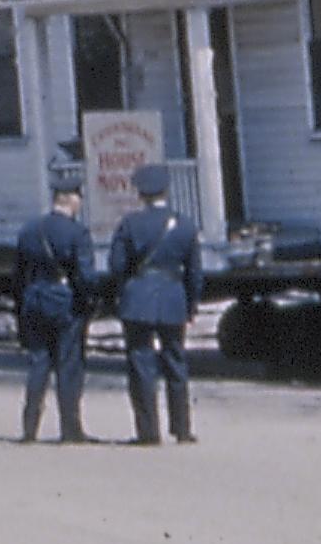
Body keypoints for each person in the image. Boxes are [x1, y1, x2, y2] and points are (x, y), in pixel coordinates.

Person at [112, 163, 202, 445]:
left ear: (140, 193)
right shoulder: (185, 224)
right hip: (173, 296)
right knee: (176, 362)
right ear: (166, 190)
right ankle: (182, 429)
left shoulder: (129, 224)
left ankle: (148, 432)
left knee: (141, 364)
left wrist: (123, 290)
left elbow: (117, 266)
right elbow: (195, 272)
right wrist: (191, 303)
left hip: (138, 296)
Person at [15, 173, 100, 444]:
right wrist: (92, 300)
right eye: (78, 197)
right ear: (70, 199)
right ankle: (70, 428)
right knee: (68, 366)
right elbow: (85, 277)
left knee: (39, 363)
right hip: (64, 303)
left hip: (35, 299)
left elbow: (19, 273)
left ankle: (30, 427)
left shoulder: (30, 229)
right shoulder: (77, 233)